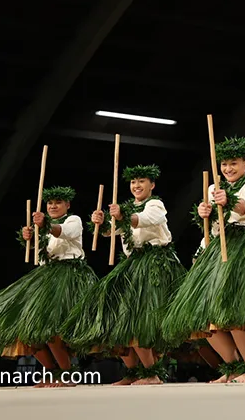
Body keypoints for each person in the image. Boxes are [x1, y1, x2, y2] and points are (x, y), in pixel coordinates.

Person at [162, 136, 245, 384]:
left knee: (237, 311)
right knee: (205, 316)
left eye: (233, 164)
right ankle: (232, 367)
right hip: (220, 248)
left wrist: (229, 201)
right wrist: (204, 214)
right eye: (224, 165)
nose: (228, 169)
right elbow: (214, 226)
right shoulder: (214, 188)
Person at [64, 165, 185, 385]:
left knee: (140, 318)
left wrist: (122, 215)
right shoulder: (127, 208)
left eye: (141, 181)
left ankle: (151, 373)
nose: (136, 186)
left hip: (155, 265)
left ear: (152, 184)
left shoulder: (155, 204)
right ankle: (132, 372)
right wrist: (100, 222)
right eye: (133, 182)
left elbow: (144, 219)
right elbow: (111, 231)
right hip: (132, 265)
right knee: (116, 315)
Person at [0, 186, 97, 387]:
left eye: (58, 203)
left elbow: (63, 232)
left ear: (67, 205)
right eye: (50, 203)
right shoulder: (42, 227)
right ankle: (53, 373)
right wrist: (30, 237)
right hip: (46, 277)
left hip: (69, 276)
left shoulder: (74, 220)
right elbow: (40, 253)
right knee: (28, 332)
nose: (53, 206)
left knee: (51, 331)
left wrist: (45, 225)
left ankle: (67, 374)